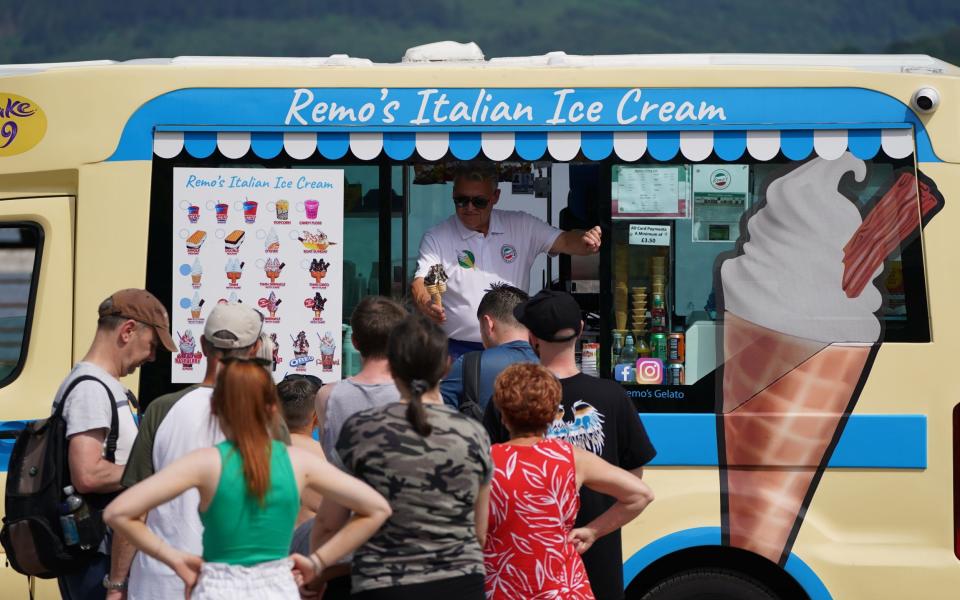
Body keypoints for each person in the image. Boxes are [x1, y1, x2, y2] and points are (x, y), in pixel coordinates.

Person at [105, 359, 392, 600]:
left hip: (217, 587)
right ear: (272, 410)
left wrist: (175, 559)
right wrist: (318, 563)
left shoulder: (206, 463)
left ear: (216, 409)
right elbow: (376, 508)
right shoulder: (297, 461)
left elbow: (119, 512)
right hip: (278, 587)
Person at [484, 290, 657, 600]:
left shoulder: (510, 399)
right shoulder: (612, 396)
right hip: (596, 552)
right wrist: (597, 528)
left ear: (533, 337)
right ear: (580, 329)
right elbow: (635, 480)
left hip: (521, 561)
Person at [314, 314, 492, 599]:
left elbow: (328, 522)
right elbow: (479, 532)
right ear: (446, 367)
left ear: (392, 366)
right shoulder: (474, 433)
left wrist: (318, 572)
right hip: (460, 582)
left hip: (382, 583)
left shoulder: (361, 430)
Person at [118, 303, 272, 599]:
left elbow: (135, 506)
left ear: (202, 345)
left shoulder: (161, 410)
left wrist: (116, 582)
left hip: (162, 581)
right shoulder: (266, 416)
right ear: (254, 350)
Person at [50, 289, 176, 600]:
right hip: (97, 555)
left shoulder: (103, 385)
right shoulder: (91, 390)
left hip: (101, 550)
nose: (152, 357)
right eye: (153, 346)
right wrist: (155, 472)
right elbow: (88, 474)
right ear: (128, 331)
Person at [411, 163, 603, 359]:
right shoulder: (437, 237)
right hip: (458, 350)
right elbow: (421, 281)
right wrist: (426, 303)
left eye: (478, 202)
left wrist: (586, 240)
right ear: (452, 195)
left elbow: (564, 240)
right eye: (461, 200)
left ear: (495, 197)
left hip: (514, 348)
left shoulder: (521, 225)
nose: (468, 207)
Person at [310, 296, 406, 598]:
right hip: (404, 537)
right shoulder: (419, 397)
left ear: (354, 340)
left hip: (345, 533)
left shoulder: (329, 396)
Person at [440, 283, 537, 414]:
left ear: (488, 324)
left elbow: (438, 413)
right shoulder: (549, 363)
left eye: (480, 328)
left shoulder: (469, 365)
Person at [276, 376, 326, 552]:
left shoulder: (252, 456)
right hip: (311, 558)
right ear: (315, 417)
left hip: (264, 556)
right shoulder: (327, 458)